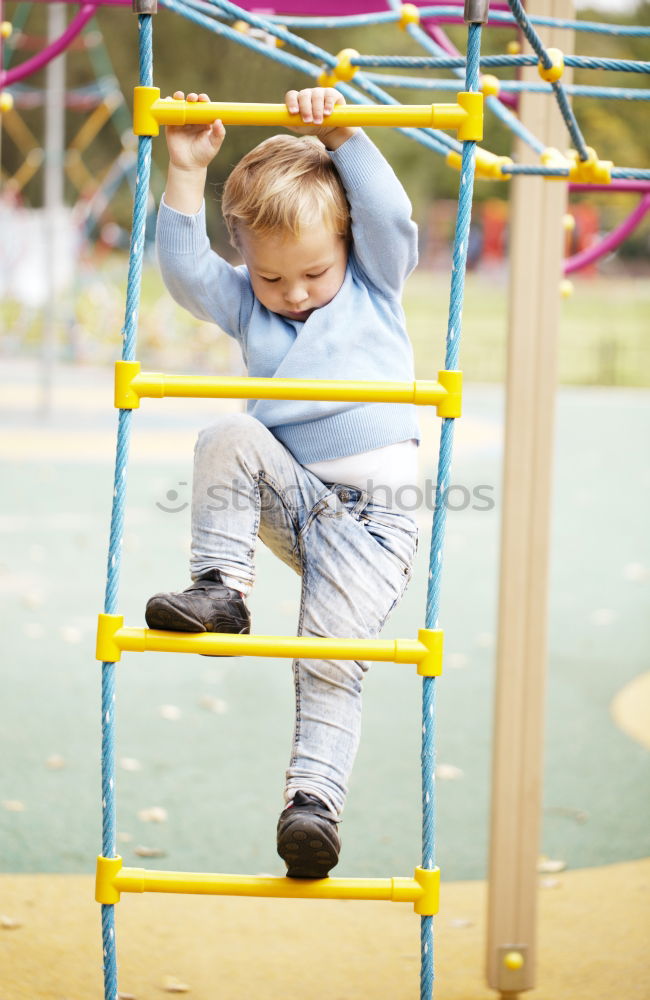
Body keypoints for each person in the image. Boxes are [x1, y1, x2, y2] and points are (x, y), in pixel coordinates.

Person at [145, 86, 420, 879]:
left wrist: (342, 133)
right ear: (250, 267)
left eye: (311, 273)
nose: (293, 294)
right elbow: (189, 273)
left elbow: (393, 218)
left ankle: (313, 806)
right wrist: (187, 169)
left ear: (345, 248)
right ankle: (221, 588)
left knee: (328, 661)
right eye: (271, 279)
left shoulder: (373, 282)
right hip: (297, 502)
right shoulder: (251, 306)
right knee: (228, 433)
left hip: (377, 528)